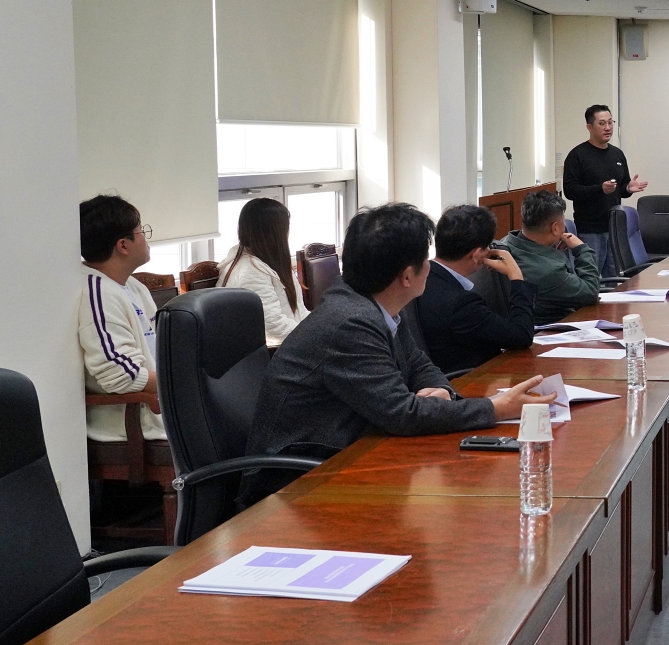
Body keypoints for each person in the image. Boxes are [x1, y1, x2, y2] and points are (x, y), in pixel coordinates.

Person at [246, 204, 550, 467]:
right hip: (297, 476)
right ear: (407, 276)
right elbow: (401, 413)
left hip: (351, 448)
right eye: (425, 260)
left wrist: (440, 389)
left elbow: (418, 363)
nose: (430, 266)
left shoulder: (374, 301)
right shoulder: (350, 322)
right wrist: (495, 408)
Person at [76, 194, 165, 443]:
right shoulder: (96, 293)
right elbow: (121, 373)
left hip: (165, 408)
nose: (146, 238)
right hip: (135, 424)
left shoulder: (133, 286)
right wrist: (179, 383)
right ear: (123, 245)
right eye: (141, 231)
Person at [414, 204, 538, 374]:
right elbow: (522, 336)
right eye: (488, 247)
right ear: (477, 255)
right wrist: (516, 277)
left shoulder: (423, 280)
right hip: (471, 380)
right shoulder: (461, 304)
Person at [562, 104, 646, 278]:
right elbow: (570, 190)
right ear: (589, 127)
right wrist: (599, 189)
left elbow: (622, 187)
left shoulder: (617, 154)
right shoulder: (577, 155)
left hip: (615, 229)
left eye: (610, 122)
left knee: (616, 278)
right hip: (590, 230)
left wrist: (628, 188)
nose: (608, 128)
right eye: (602, 123)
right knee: (591, 277)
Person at [497, 188, 604, 325]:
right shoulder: (550, 270)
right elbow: (590, 292)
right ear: (555, 228)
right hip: (553, 329)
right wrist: (581, 249)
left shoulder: (504, 243)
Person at [219, 197, 310, 348]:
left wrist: (319, 327)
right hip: (272, 353)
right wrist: (314, 334)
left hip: (288, 345)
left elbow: (299, 312)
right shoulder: (251, 272)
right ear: (273, 233)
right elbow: (274, 328)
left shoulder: (270, 263)